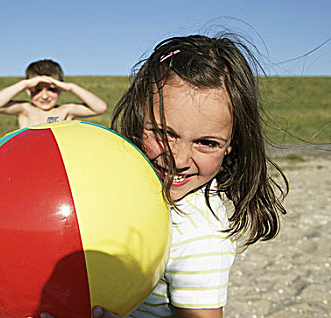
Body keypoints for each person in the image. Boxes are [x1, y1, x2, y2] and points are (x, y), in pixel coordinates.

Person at [40, 34, 288, 318]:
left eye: (207, 143)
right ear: (137, 116)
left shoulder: (200, 235)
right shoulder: (132, 178)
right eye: (163, 134)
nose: (179, 160)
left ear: (230, 145)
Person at [0, 59, 107, 128]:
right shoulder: (25, 110)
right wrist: (25, 84)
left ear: (60, 89)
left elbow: (100, 108)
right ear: (29, 91)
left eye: (51, 89)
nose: (44, 96)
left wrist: (71, 87)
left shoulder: (66, 111)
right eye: (38, 90)